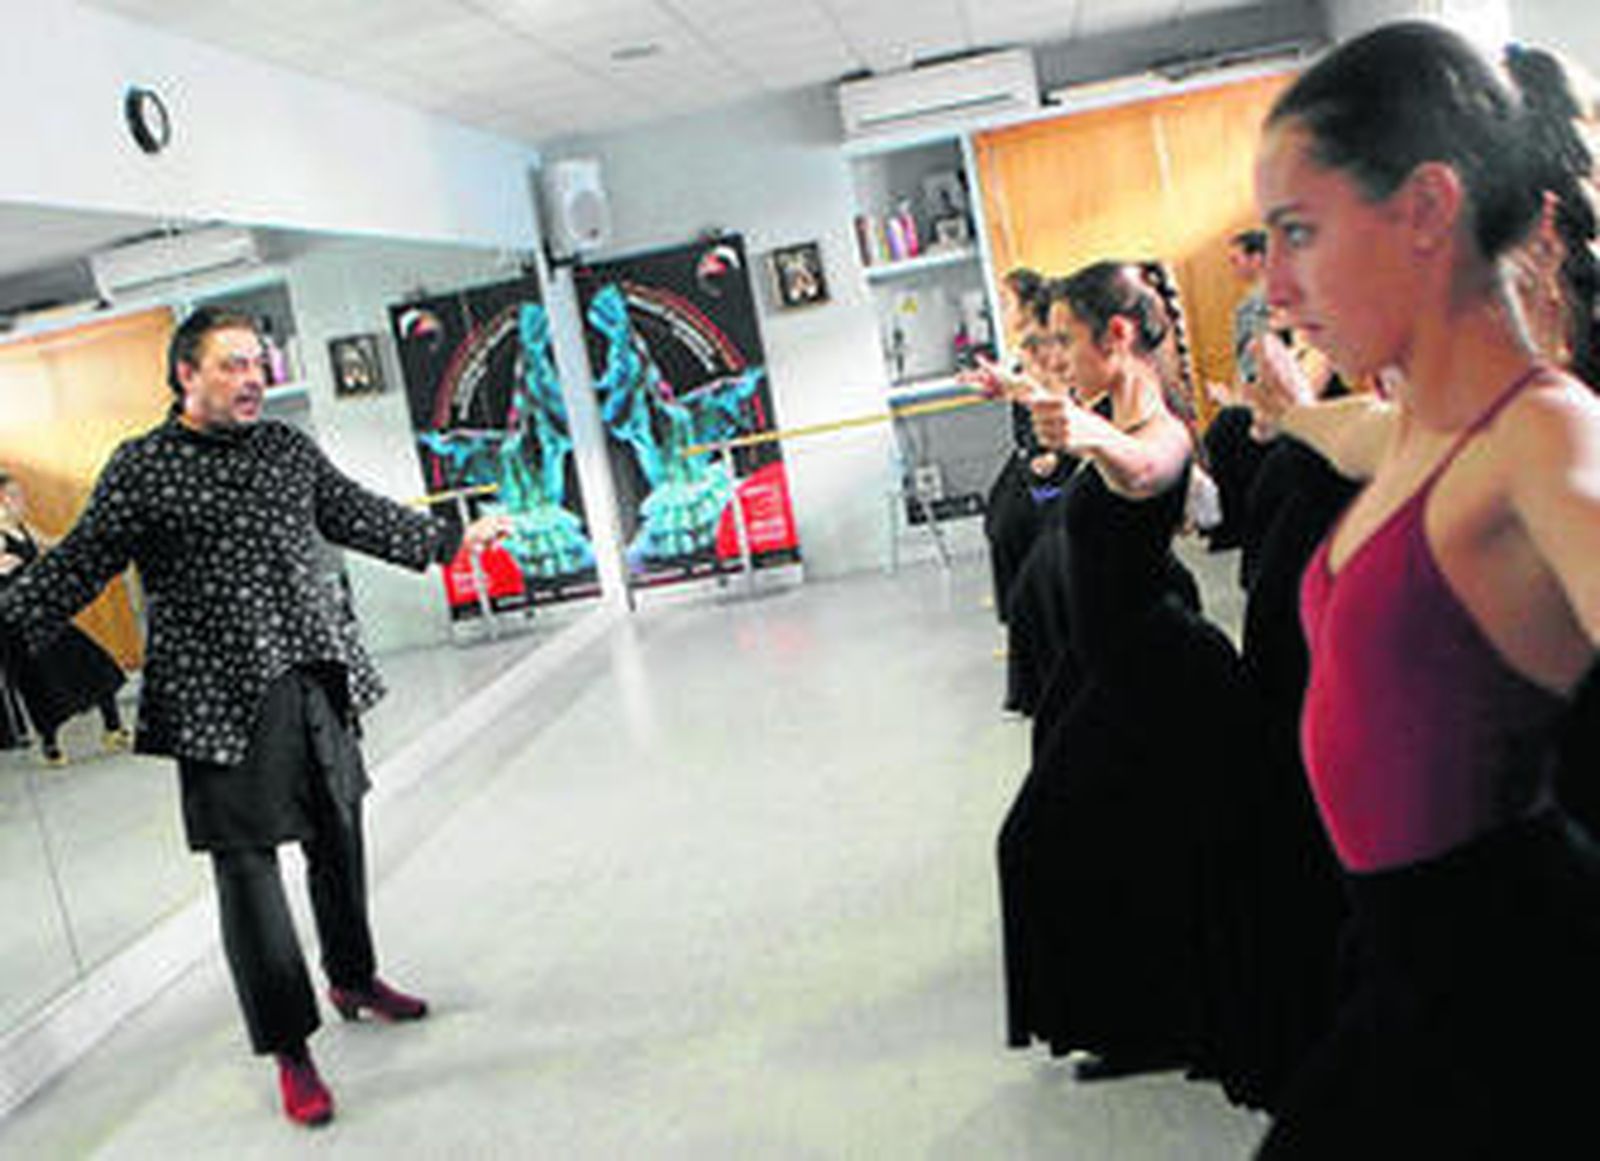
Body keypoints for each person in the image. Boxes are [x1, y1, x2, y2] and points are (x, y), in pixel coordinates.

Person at [0, 307, 511, 1129]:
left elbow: (350, 510)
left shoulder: (286, 447)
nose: (252, 379)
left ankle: (351, 976)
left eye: (258, 365)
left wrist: (448, 540)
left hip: (316, 674)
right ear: (185, 375)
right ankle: (290, 1047)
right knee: (249, 880)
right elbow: (83, 560)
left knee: (338, 840)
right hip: (217, 701)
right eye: (233, 364)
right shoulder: (143, 468)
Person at [1240, 23, 1600, 1157]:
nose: (1278, 282)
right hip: (1403, 969)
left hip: (1511, 996)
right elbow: (1352, 434)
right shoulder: (1421, 431)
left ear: (1426, 210)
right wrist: (1289, 407)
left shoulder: (1541, 436)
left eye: (1300, 232)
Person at [980, 260, 1250, 1078]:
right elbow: (1091, 431)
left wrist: (1088, 433)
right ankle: (1148, 1019)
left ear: (1118, 336)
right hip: (1107, 667)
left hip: (1156, 671)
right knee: (1118, 841)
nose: (1054, 354)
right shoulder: (1103, 410)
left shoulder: (1156, 427)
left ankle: (1155, 1020)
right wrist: (1017, 392)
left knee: (1038, 839)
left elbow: (1146, 470)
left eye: (1065, 338)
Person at [0, 471, 129, 766]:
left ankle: (113, 729)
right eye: (16, 495)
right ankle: (51, 744)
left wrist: (91, 532)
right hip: (19, 623)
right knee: (42, 683)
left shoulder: (24, 528)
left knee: (95, 663)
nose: (22, 500)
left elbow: (56, 543)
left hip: (45, 614)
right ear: (2, 500)